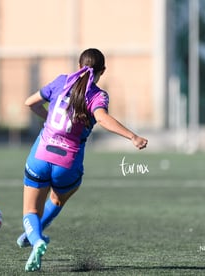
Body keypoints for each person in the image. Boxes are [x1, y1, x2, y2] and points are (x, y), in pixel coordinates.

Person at [17, 48, 148, 272]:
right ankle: (34, 235)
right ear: (102, 71)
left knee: (30, 210)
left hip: (40, 155)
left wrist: (48, 118)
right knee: (57, 200)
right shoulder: (98, 95)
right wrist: (133, 137)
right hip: (68, 163)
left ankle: (35, 237)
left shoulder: (60, 81)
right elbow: (103, 118)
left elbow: (30, 103)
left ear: (79, 66)